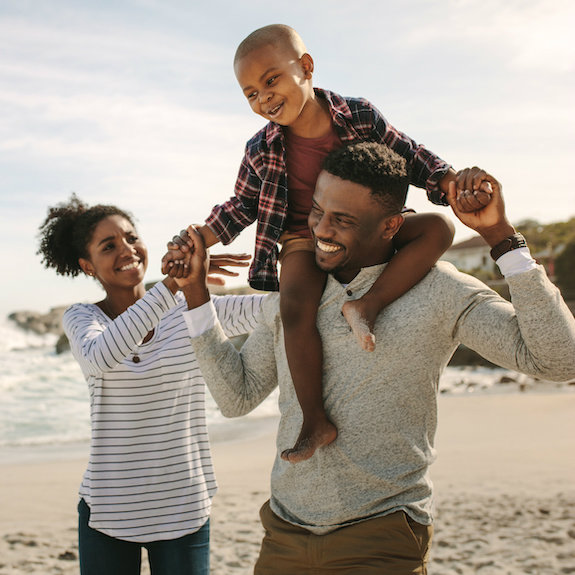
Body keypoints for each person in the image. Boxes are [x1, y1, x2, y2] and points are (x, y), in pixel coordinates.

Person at [174, 142, 575, 574]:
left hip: (381, 539)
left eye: (342, 220)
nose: (320, 231)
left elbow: (559, 361)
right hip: (284, 537)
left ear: (390, 226)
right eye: (317, 211)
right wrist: (197, 294)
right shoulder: (296, 296)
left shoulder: (439, 290)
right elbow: (238, 397)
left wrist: (501, 238)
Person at [162, 24, 492, 463]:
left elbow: (410, 155)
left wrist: (450, 182)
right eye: (250, 94)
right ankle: (315, 421)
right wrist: (198, 237)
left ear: (305, 67)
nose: (264, 99)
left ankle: (367, 306)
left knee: (438, 230)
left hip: (366, 228)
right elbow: (241, 205)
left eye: (271, 80)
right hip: (303, 236)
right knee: (294, 307)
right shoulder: (260, 148)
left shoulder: (358, 116)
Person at [36, 195, 265, 575]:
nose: (126, 249)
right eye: (109, 246)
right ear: (87, 265)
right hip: (108, 510)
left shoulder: (191, 308)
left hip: (184, 507)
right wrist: (173, 285)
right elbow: (99, 356)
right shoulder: (82, 318)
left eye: (131, 238)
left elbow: (273, 311)